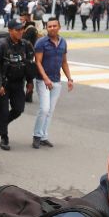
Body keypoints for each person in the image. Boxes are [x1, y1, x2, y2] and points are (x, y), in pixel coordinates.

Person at [0, 19, 34, 151]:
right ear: (10, 31)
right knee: (3, 111)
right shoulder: (1, 45)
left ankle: (2, 123)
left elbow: (28, 64)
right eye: (17, 30)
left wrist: (30, 81)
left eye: (22, 29)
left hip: (18, 83)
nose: (21, 32)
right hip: (4, 84)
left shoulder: (26, 45)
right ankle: (4, 137)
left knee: (19, 109)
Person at [33, 17, 73, 149]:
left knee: (50, 110)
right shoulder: (41, 43)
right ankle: (37, 136)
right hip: (42, 80)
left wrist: (69, 78)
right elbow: (37, 62)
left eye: (54, 26)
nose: (52, 28)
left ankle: (44, 136)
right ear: (46, 28)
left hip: (56, 80)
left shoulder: (63, 42)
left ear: (59, 27)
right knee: (44, 109)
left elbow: (64, 62)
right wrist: (45, 78)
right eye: (49, 26)